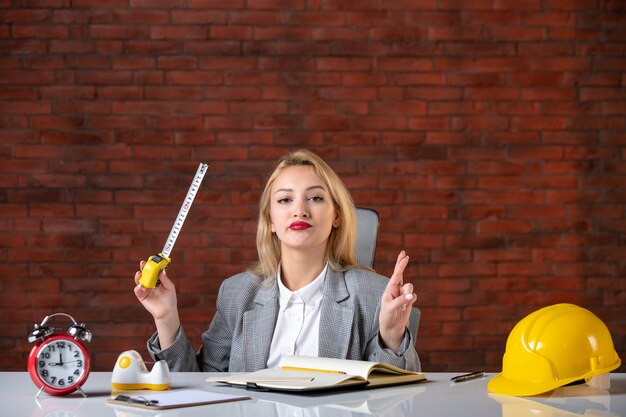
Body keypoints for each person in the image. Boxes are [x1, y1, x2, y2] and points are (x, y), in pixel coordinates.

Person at [134, 149, 420, 372]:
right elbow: (198, 386)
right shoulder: (237, 293)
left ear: (336, 216)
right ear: (270, 220)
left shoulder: (374, 294)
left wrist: (392, 337)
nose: (300, 210)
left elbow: (395, 400)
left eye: (316, 198)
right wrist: (166, 318)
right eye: (284, 200)